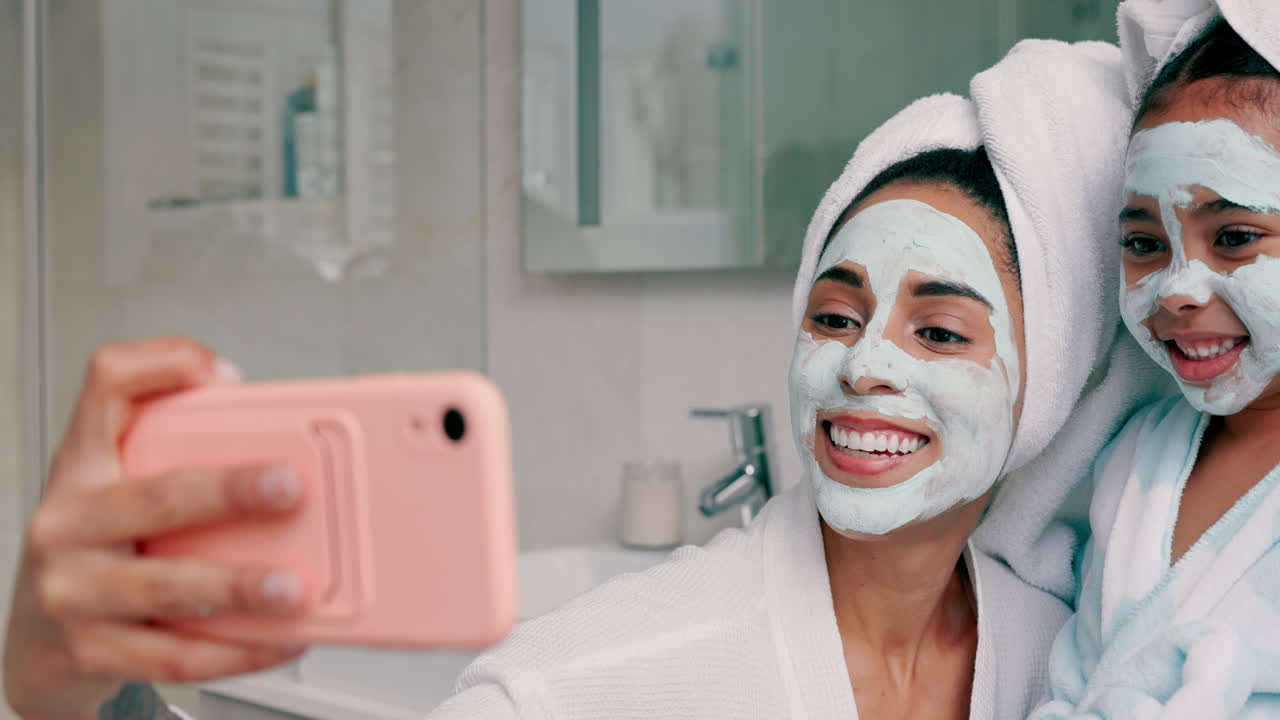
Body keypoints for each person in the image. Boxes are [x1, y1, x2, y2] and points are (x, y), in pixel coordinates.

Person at [4, 40, 1152, 720]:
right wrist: (56, 698)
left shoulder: (1072, 660)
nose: (861, 363)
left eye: (940, 332)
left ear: (1041, 383)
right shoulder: (573, 689)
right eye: (833, 312)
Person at [1032, 2, 1280, 717]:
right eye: (1144, 244)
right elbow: (1075, 683)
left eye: (1233, 237)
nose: (1176, 290)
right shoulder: (1139, 457)